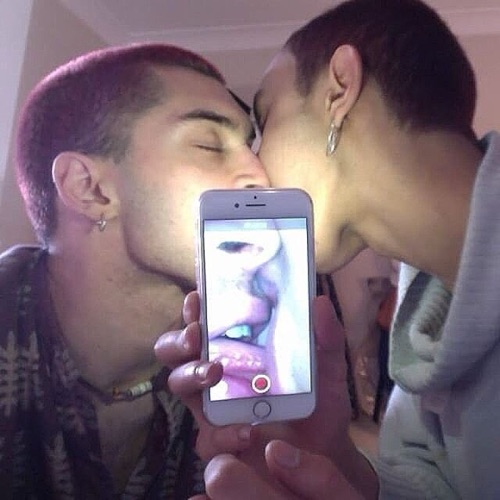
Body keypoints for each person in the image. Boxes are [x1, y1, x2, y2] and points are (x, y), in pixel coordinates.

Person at [156, 0, 500, 498]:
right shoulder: (424, 330)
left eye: (265, 120)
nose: (254, 171)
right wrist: (332, 457)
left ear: (339, 88)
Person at [0, 42, 270, 497]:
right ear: (89, 188)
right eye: (209, 144)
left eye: (250, 146)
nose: (260, 177)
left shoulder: (242, 361)